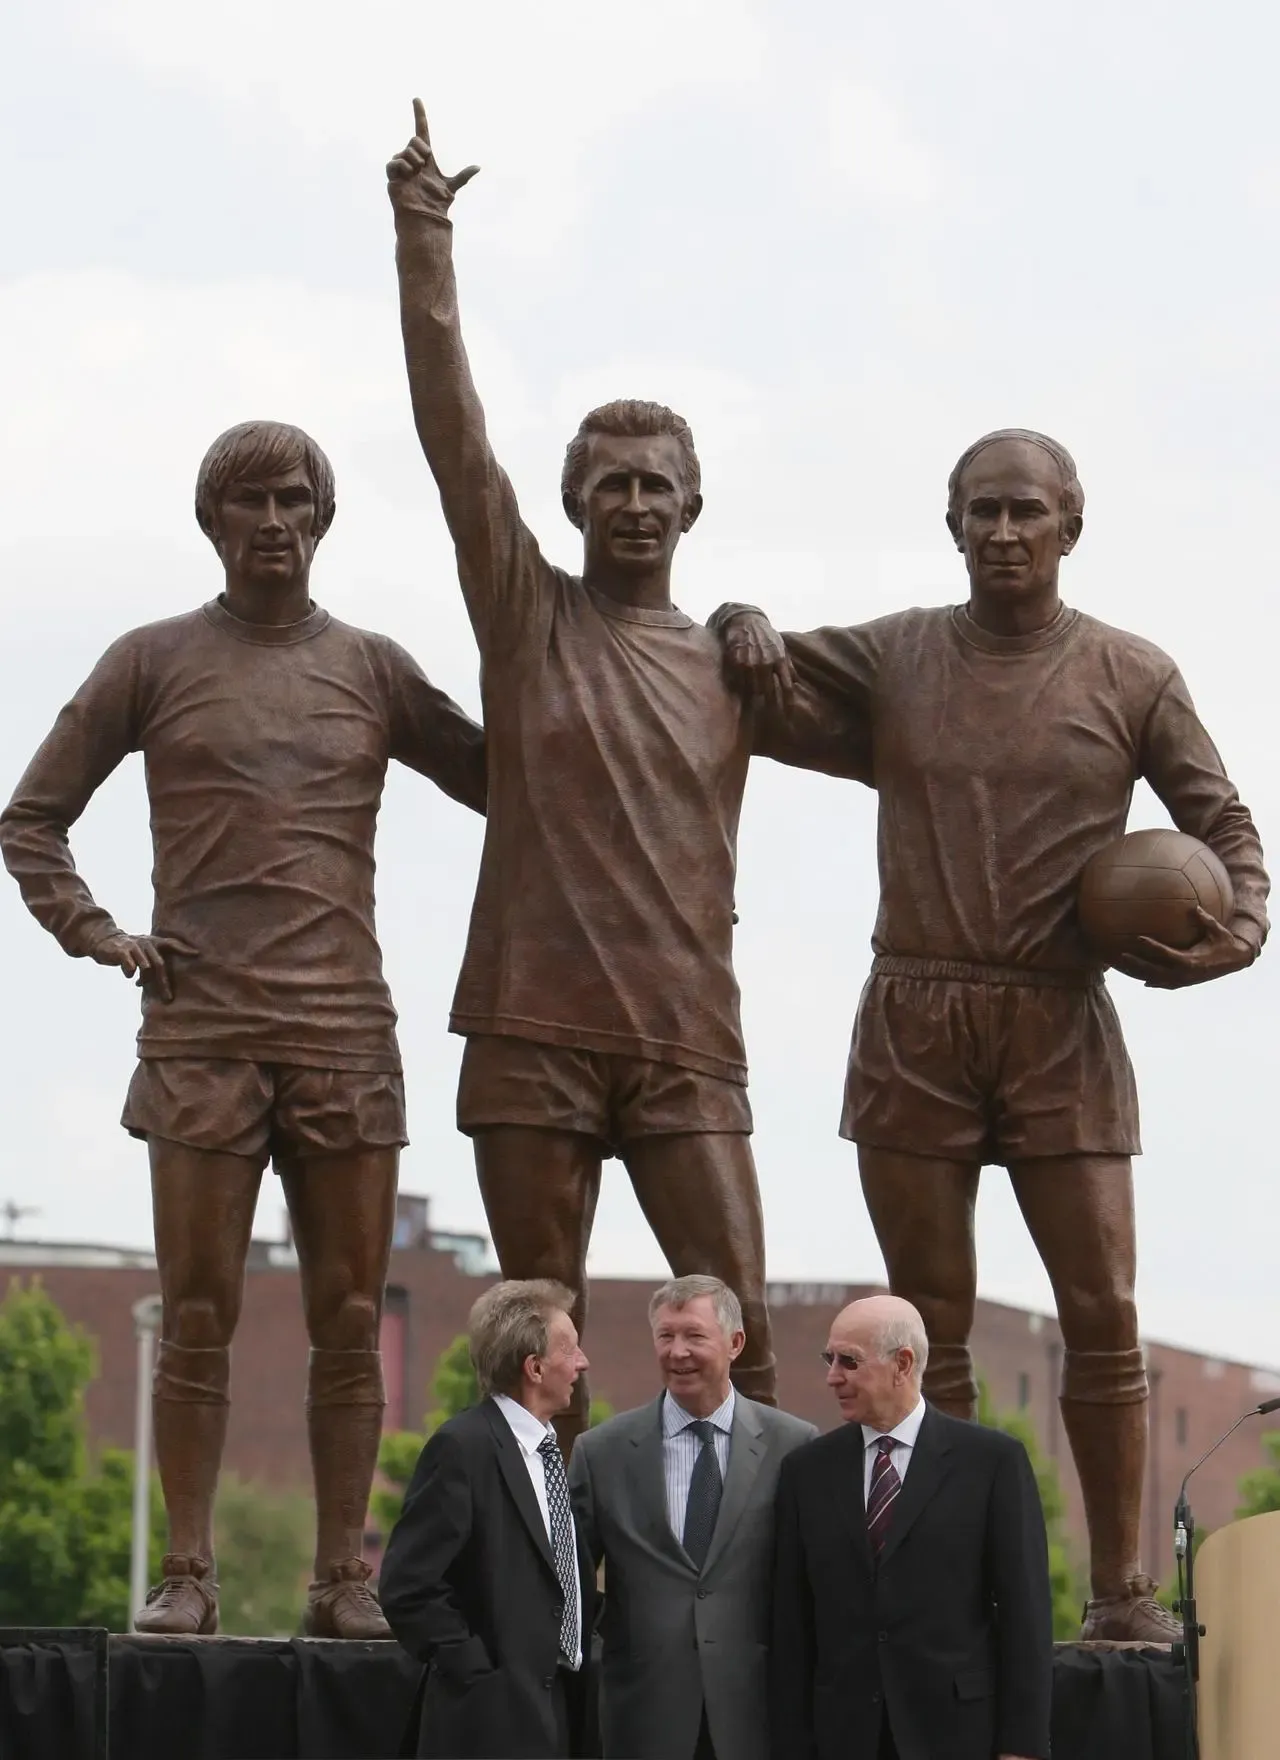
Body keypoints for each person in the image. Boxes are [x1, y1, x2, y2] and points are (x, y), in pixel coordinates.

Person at [711, 428, 1269, 1639]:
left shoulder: (1131, 675)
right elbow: (757, 677)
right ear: (950, 524)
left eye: (1025, 511)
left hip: (1059, 1019)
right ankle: (945, 1588)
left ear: (1071, 523)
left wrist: (1218, 945)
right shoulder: (900, 652)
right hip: (915, 1011)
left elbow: (1230, 841)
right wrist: (741, 615)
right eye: (980, 512)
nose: (1002, 532)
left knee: (1103, 1316)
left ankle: (1120, 1590)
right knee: (925, 1325)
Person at [384, 99, 867, 1441]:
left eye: (659, 484)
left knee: (745, 1327)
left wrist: (756, 621)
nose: (636, 502)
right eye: (613, 483)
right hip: (533, 1026)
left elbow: (917, 734)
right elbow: (449, 427)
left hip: (684, 1039)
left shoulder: (740, 665)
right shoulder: (528, 616)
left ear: (693, 505)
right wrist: (425, 235)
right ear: (571, 500)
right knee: (528, 1344)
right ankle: (538, 1587)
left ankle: (770, 1597)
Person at [0, 420, 486, 1637]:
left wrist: (568, 669)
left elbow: (505, 777)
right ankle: (190, 1570)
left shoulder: (373, 667)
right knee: (197, 1312)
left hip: (343, 1031)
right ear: (212, 521)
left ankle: (339, 1579)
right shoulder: (151, 659)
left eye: (293, 499)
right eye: (248, 501)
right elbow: (31, 820)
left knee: (349, 1317)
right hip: (202, 1032)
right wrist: (97, 931)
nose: (273, 520)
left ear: (322, 519)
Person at [770, 1295, 1052, 1760]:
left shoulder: (991, 1463)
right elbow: (791, 1625)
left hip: (958, 1734)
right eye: (830, 1358)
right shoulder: (806, 1471)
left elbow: (1027, 1616)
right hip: (842, 1736)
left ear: (902, 1363)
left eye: (849, 1361)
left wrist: (1022, 1747)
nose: (832, 1376)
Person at [568, 1274, 816, 1760]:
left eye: (694, 1336)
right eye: (666, 1336)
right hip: (643, 1714)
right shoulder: (602, 1452)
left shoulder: (795, 1447)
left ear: (735, 1343)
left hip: (758, 1714)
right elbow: (567, 1578)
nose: (677, 1351)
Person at [380, 1280, 596, 1759]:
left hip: (558, 1713)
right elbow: (407, 1586)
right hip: (487, 1723)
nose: (582, 1363)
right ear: (535, 1367)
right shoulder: (463, 1448)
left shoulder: (549, 1453)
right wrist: (478, 1672)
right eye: (571, 1349)